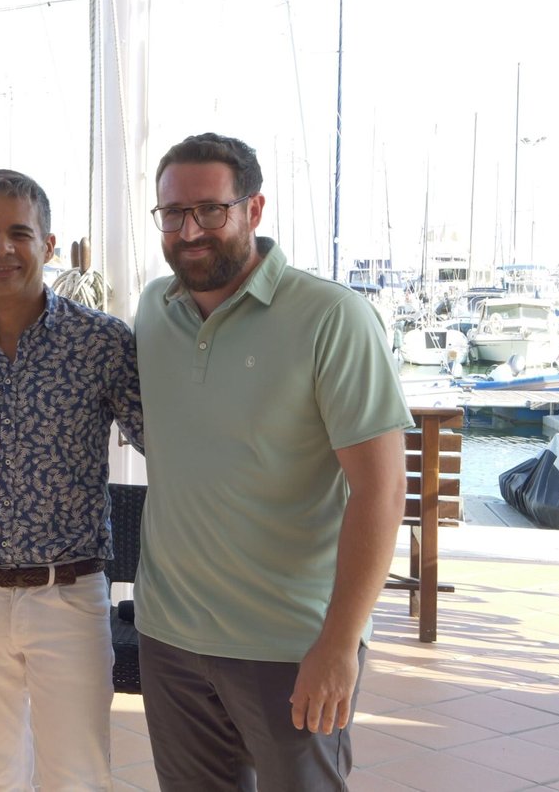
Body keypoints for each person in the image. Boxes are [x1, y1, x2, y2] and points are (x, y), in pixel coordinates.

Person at [134, 133, 410, 791]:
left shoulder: (333, 317)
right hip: (169, 636)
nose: (189, 230)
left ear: (253, 209)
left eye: (210, 210)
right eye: (172, 213)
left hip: (290, 644)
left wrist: (340, 644)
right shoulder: (154, 308)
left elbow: (381, 490)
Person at [0, 169, 144, 791]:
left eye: (19, 233)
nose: (2, 249)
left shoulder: (102, 343)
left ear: (48, 243)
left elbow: (167, 447)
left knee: (78, 775)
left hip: (69, 595)